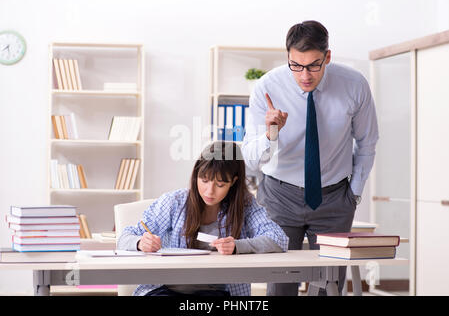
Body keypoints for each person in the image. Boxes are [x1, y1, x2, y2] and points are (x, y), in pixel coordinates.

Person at [242, 20, 379, 295]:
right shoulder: (267, 87)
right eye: (296, 65)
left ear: (328, 56)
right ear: (288, 57)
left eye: (314, 65)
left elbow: (367, 142)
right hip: (279, 197)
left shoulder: (354, 85)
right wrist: (271, 134)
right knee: (280, 283)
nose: (305, 75)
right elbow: (250, 159)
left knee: (329, 285)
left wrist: (353, 194)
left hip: (334, 197)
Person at [117, 141, 289, 296]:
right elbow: (125, 237)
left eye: (220, 184)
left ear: (233, 182)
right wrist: (140, 242)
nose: (209, 191)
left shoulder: (245, 205)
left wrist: (238, 246)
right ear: (196, 174)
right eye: (204, 180)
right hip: (167, 290)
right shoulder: (174, 202)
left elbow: (279, 239)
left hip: (215, 292)